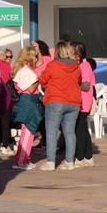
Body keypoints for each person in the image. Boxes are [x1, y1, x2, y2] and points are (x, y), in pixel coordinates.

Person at [37, 41, 84, 171]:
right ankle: (69, 161)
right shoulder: (77, 66)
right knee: (70, 132)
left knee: (51, 132)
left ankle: (51, 162)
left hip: (55, 101)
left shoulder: (53, 65)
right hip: (73, 102)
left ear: (57, 51)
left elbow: (43, 80)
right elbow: (79, 81)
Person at [11, 47, 43, 169]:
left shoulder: (21, 69)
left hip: (26, 101)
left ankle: (23, 159)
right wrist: (38, 79)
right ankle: (21, 161)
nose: (36, 58)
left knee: (27, 132)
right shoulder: (27, 71)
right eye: (35, 56)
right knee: (28, 133)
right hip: (29, 101)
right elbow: (31, 89)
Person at [73, 42, 96, 168]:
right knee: (82, 129)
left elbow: (86, 86)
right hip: (78, 100)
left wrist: (71, 84)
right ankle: (88, 156)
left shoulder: (85, 66)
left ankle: (80, 157)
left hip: (83, 102)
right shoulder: (79, 65)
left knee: (80, 130)